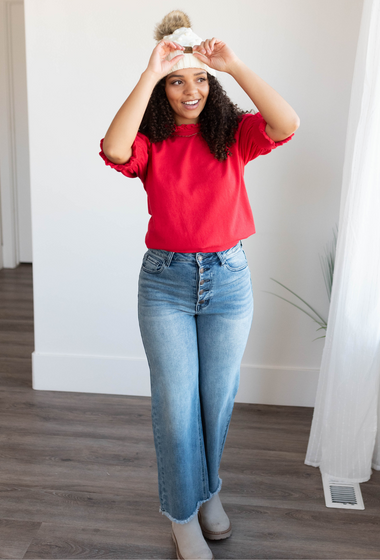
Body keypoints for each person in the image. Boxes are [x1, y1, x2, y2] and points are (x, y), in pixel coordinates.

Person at [99, 10, 299, 560]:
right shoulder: (151, 144)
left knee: (217, 401)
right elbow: (115, 149)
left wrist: (231, 65)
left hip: (229, 280)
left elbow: (286, 122)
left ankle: (208, 492)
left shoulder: (234, 135)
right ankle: (181, 515)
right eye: (178, 80)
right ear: (163, 88)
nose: (191, 90)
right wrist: (150, 70)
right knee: (175, 404)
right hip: (165, 281)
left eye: (200, 79)